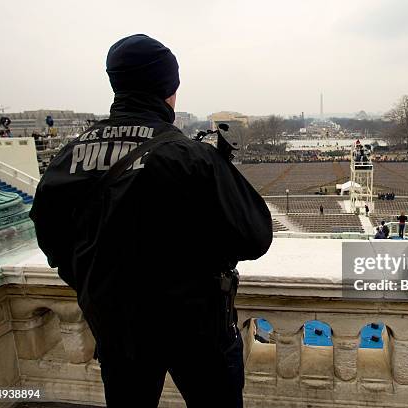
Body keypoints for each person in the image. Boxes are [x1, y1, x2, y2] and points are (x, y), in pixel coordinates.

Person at [29, 34, 273, 408]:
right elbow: (255, 236)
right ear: (169, 89)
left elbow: (52, 238)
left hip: (116, 325)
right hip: (197, 327)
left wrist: (96, 281)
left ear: (115, 84)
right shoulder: (191, 157)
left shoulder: (68, 157)